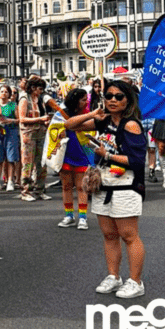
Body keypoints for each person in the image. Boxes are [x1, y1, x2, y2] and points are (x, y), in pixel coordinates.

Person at [63, 80, 147, 299]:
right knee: (109, 235)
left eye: (119, 96)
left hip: (125, 185)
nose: (112, 100)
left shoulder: (131, 125)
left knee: (129, 235)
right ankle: (113, 276)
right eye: (108, 96)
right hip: (103, 185)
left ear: (128, 99)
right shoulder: (103, 121)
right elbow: (69, 125)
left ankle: (136, 281)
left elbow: (137, 160)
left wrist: (107, 155)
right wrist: (94, 113)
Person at [53, 88, 93, 229]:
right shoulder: (60, 114)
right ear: (75, 100)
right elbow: (54, 130)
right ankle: (68, 216)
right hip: (64, 154)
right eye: (83, 100)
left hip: (82, 153)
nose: (85, 102)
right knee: (66, 186)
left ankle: (83, 217)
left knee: (82, 187)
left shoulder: (87, 114)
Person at [18, 75, 52, 201]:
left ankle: (39, 189)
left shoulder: (39, 99)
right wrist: (40, 119)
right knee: (28, 163)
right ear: (32, 88)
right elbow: (22, 119)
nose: (41, 91)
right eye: (39, 88)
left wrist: (45, 121)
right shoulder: (24, 99)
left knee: (41, 163)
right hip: (28, 134)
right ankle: (26, 190)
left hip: (40, 132)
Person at [0, 85, 19, 192]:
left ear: (9, 94)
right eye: (2, 91)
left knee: (11, 158)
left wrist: (10, 121)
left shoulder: (13, 105)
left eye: (6, 92)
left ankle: (10, 181)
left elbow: (19, 119)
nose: (4, 93)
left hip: (11, 131)